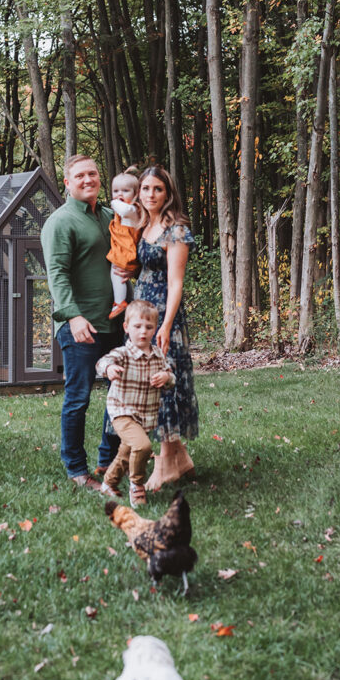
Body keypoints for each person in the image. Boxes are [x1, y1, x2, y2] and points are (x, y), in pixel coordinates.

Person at [41, 155, 122, 490]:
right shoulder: (60, 222)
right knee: (79, 398)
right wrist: (72, 316)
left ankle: (108, 460)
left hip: (116, 323)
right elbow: (56, 276)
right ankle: (76, 468)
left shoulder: (109, 216)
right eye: (80, 175)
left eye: (93, 173)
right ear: (67, 183)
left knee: (119, 396)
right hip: (80, 327)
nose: (88, 179)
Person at [126, 165, 199, 491]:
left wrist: (166, 325)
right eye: (145, 189)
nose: (151, 195)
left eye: (157, 189)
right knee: (147, 381)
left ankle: (168, 462)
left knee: (163, 381)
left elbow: (175, 282)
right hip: (140, 315)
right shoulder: (144, 225)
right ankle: (178, 457)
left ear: (167, 193)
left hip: (163, 316)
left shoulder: (176, 229)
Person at [95, 300, 175, 508]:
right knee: (143, 446)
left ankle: (109, 483)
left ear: (155, 329)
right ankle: (137, 484)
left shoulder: (158, 355)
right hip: (122, 410)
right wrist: (109, 370)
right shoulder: (123, 354)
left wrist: (166, 377)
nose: (143, 332)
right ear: (126, 327)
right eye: (137, 327)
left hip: (145, 414)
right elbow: (102, 362)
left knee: (127, 452)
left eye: (148, 327)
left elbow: (171, 376)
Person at [107, 170, 142, 320]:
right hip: (122, 247)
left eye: (125, 191)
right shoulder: (122, 211)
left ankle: (120, 302)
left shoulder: (133, 209)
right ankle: (122, 300)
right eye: (116, 191)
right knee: (117, 275)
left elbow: (124, 209)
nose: (120, 194)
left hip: (127, 249)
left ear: (136, 194)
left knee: (116, 273)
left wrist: (114, 202)